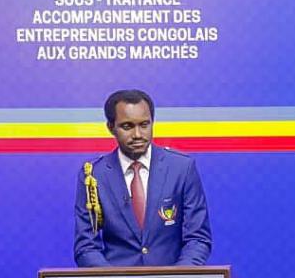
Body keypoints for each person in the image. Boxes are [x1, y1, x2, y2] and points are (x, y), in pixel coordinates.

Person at [74, 89, 211, 267]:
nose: (138, 134)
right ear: (111, 127)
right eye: (127, 126)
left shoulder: (182, 168)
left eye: (144, 125)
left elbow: (198, 238)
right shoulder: (93, 175)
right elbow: (86, 247)